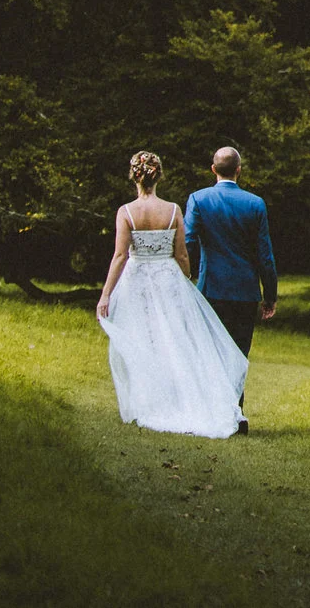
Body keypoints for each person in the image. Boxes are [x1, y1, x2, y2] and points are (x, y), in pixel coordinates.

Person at [95, 151, 247, 438]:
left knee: (144, 338)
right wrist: (185, 278)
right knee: (173, 339)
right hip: (167, 279)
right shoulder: (173, 210)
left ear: (134, 176)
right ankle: (176, 399)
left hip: (137, 281)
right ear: (158, 175)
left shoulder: (126, 212)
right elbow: (182, 254)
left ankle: (149, 402)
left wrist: (106, 295)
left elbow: (119, 257)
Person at [185, 145, 278, 424]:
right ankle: (235, 414)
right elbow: (265, 255)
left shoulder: (198, 200)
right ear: (239, 170)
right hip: (245, 291)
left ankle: (213, 414)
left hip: (211, 288)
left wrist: (184, 275)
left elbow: (188, 241)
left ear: (213, 169)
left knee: (211, 351)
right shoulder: (255, 203)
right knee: (239, 353)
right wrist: (269, 295)